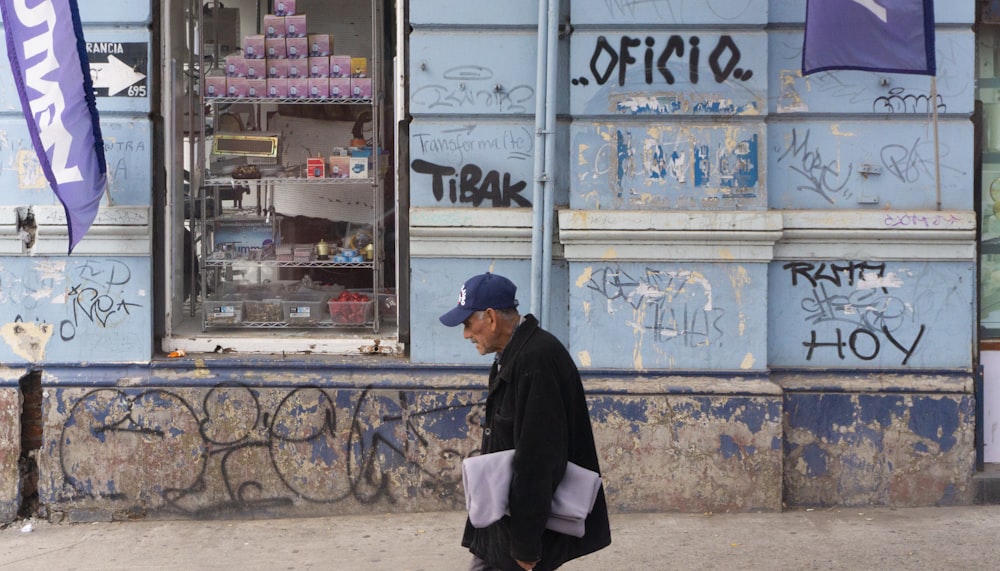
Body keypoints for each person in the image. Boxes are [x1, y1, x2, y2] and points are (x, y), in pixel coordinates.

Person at [440, 272, 612, 571]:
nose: (467, 334)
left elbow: (539, 460)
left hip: (522, 526)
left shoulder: (536, 361)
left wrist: (525, 544)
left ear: (491, 317)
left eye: (469, 324)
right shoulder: (512, 355)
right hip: (505, 517)